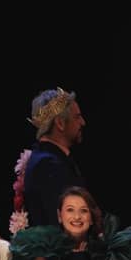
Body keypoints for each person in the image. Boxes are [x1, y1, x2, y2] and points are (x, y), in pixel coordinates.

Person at [21, 87, 86, 228]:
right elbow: (62, 226)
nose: (82, 122)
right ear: (60, 123)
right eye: (77, 117)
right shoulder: (49, 165)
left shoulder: (47, 158)